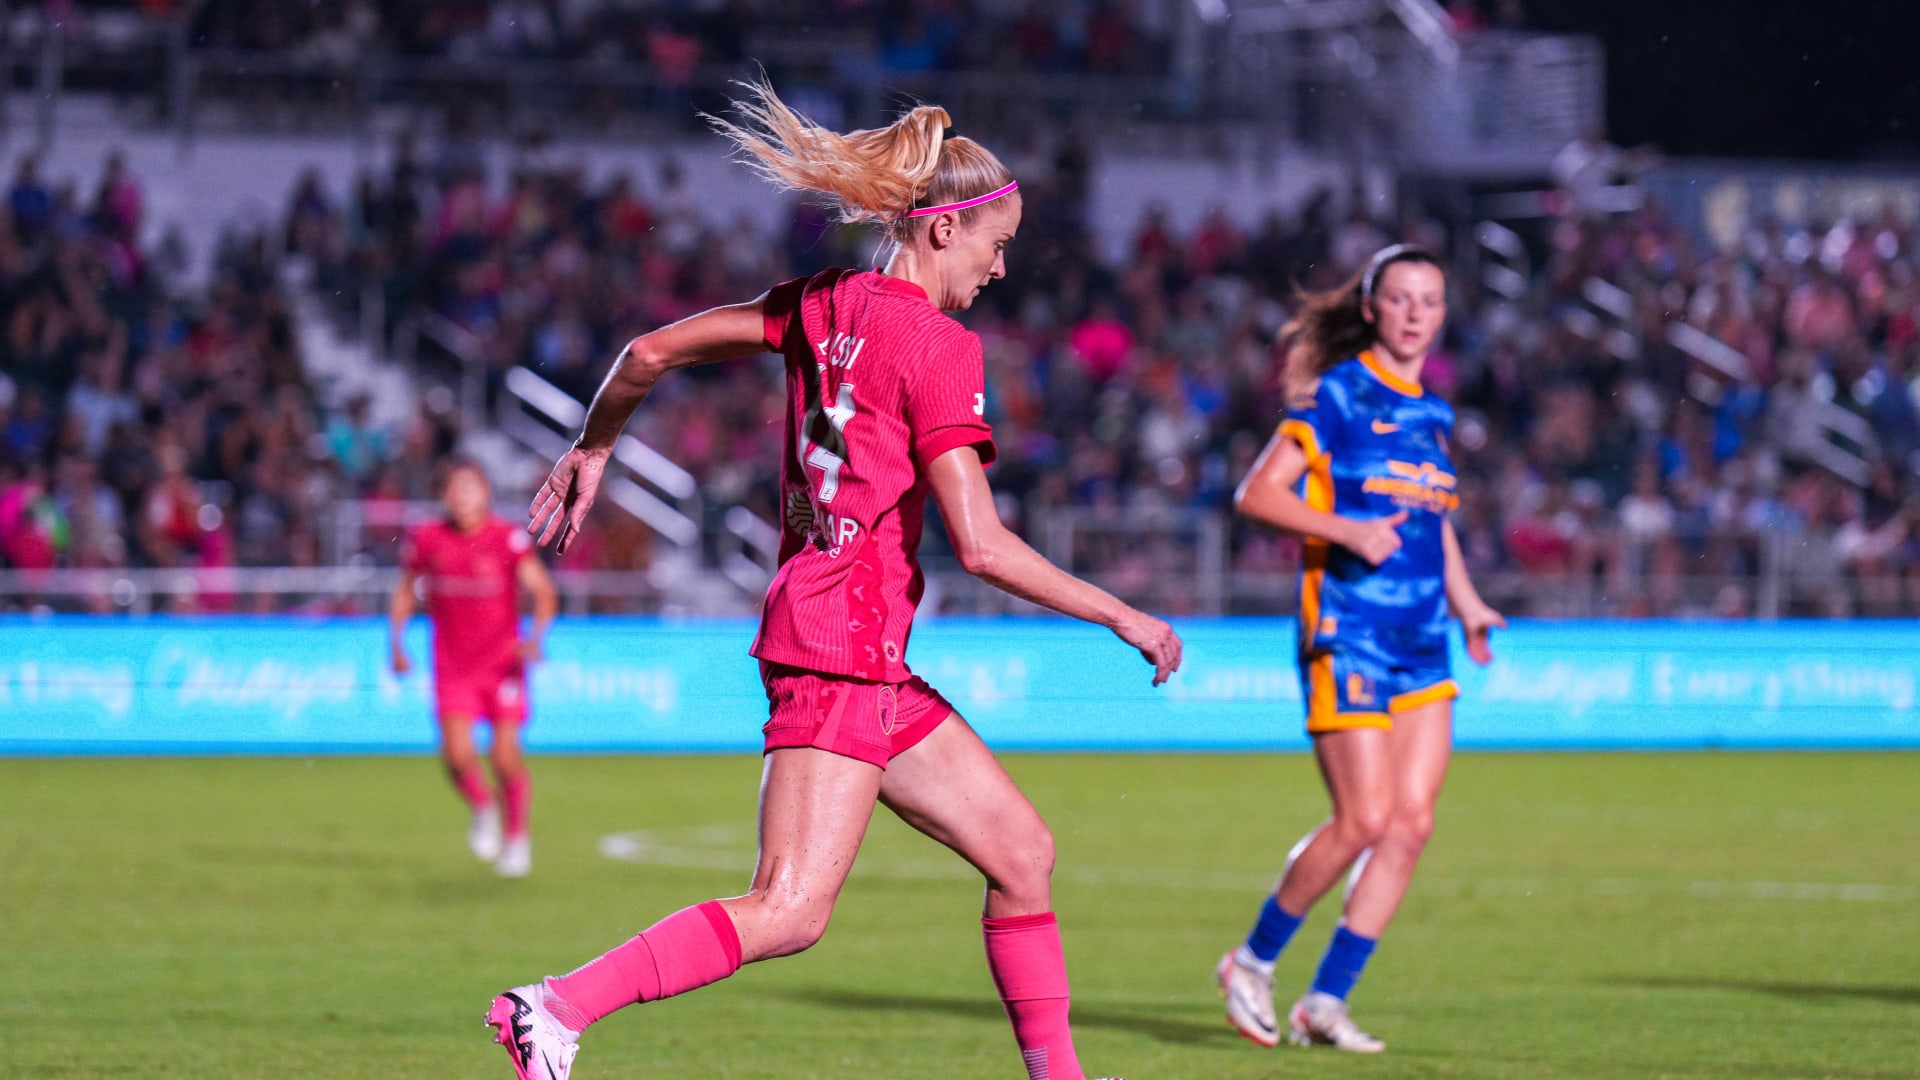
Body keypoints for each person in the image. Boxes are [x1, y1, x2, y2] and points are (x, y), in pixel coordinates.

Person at [485, 81, 1181, 1080]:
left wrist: (596, 446)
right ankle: (554, 1008)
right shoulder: (939, 346)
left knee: (1022, 854)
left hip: (855, 644)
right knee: (789, 909)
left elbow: (648, 351)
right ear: (944, 230)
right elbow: (982, 545)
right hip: (840, 644)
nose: (1001, 266)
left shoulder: (823, 303)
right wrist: (1123, 614)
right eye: (997, 243)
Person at [1216, 246, 1505, 1053]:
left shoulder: (1434, 414)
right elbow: (1257, 493)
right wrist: (1346, 530)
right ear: (1372, 309)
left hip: (1424, 639)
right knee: (1364, 818)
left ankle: (1326, 1002)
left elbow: (1433, 526)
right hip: (1349, 632)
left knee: (1410, 825)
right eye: (1401, 299)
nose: (1416, 314)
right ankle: (1251, 962)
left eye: (1431, 301)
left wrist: (1469, 607)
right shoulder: (1339, 396)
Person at [390, 459, 557, 878]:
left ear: (486, 494)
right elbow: (406, 591)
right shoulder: (428, 538)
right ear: (443, 495)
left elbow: (543, 592)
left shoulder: (506, 539)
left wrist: (536, 638)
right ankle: (484, 807)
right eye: (455, 489)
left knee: (504, 757)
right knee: (456, 755)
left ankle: (516, 839)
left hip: (503, 664)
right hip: (453, 666)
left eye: (471, 488)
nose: (463, 497)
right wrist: (396, 642)